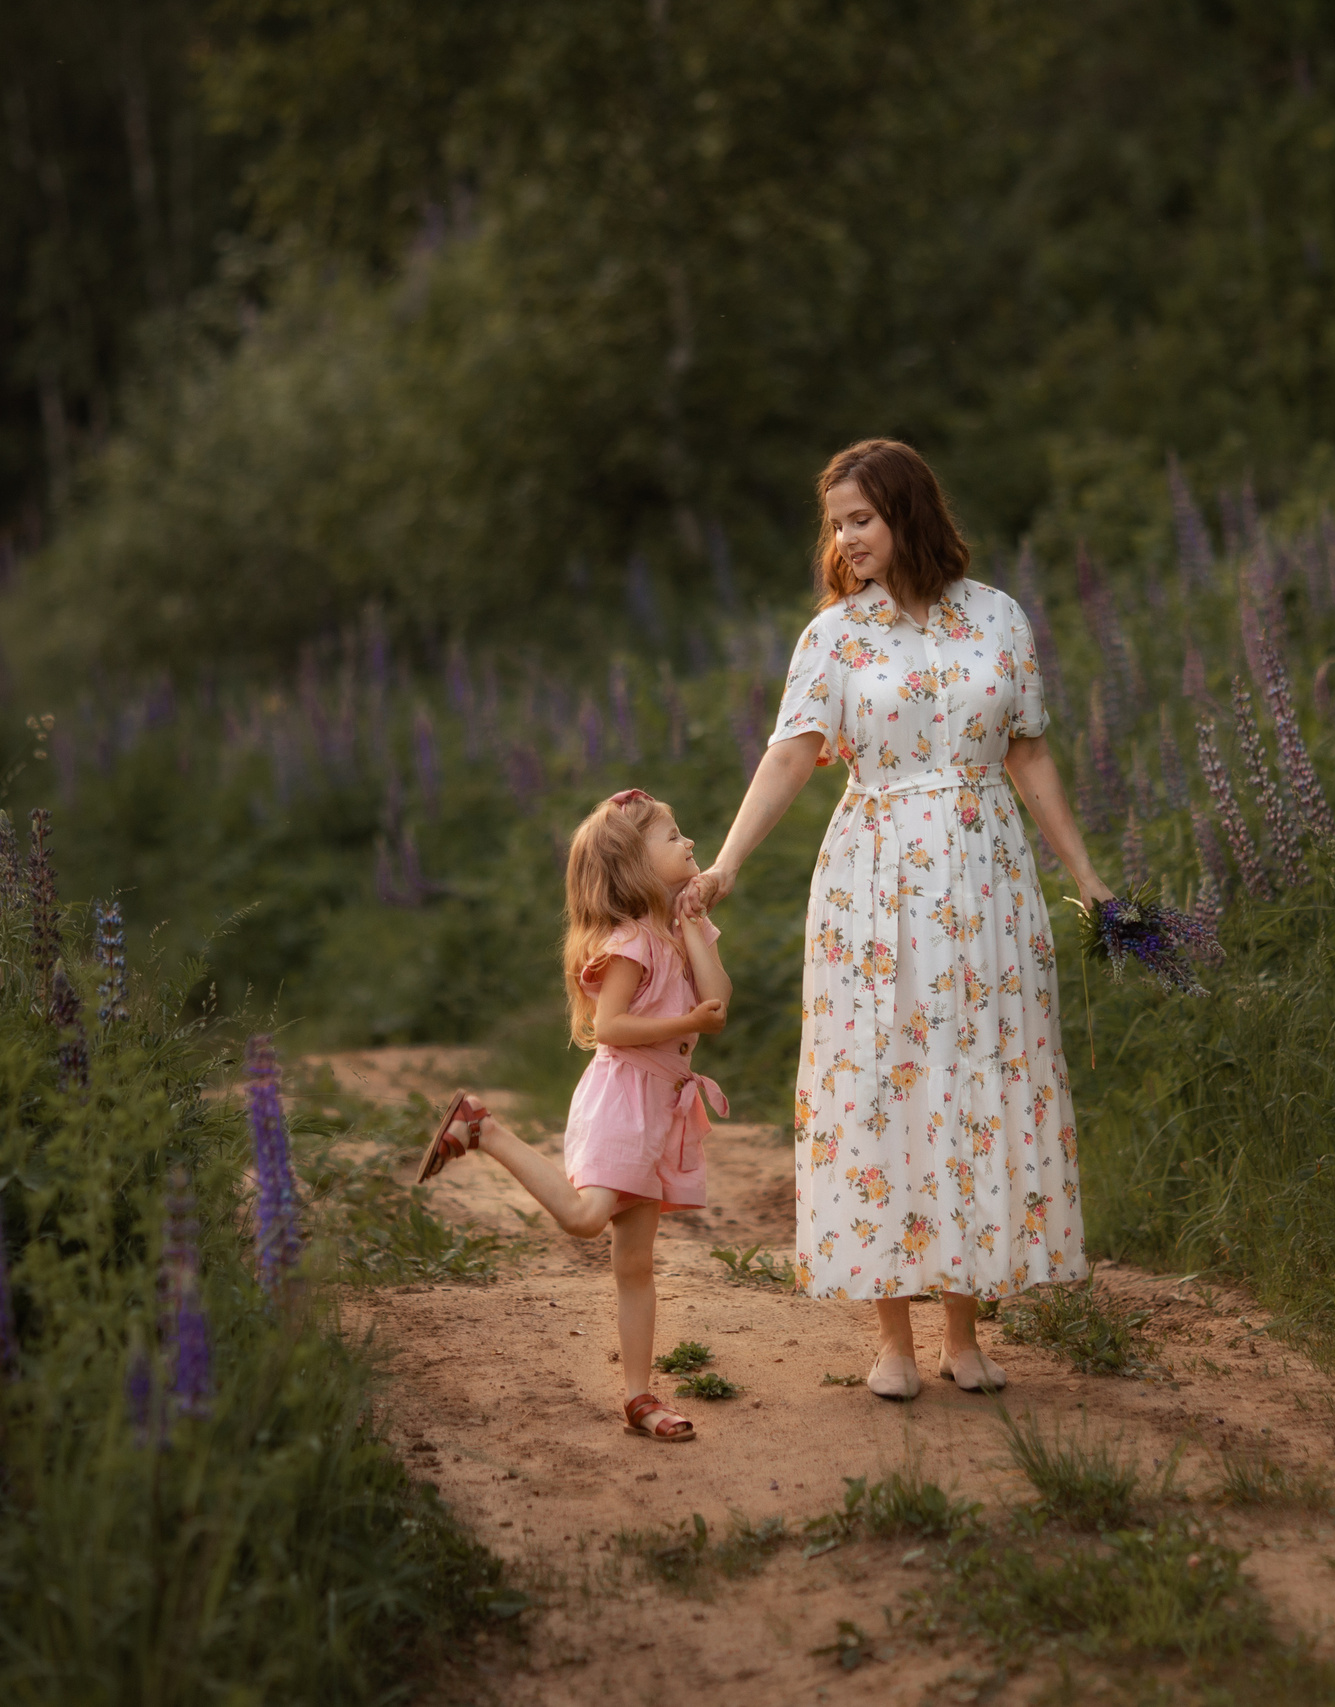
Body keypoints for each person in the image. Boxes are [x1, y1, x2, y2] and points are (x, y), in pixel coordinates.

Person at [680, 439, 1113, 1400]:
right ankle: (892, 1340)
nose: (845, 539)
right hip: (873, 885)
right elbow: (792, 754)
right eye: (836, 523)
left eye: (861, 519)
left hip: (988, 879)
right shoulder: (834, 637)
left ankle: (962, 1331)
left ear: (908, 512)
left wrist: (1089, 878)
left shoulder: (998, 616)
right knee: (882, 1082)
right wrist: (725, 864)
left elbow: (1029, 753)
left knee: (974, 1077)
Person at [420, 788, 728, 1442]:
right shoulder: (630, 943)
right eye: (673, 836)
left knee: (635, 1265)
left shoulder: (676, 932)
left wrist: (694, 920)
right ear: (634, 863)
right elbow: (611, 1026)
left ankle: (639, 1396)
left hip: (659, 1108)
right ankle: (483, 1127)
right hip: (624, 1099)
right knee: (588, 1219)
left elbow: (718, 1002)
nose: (690, 843)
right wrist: (685, 1023)